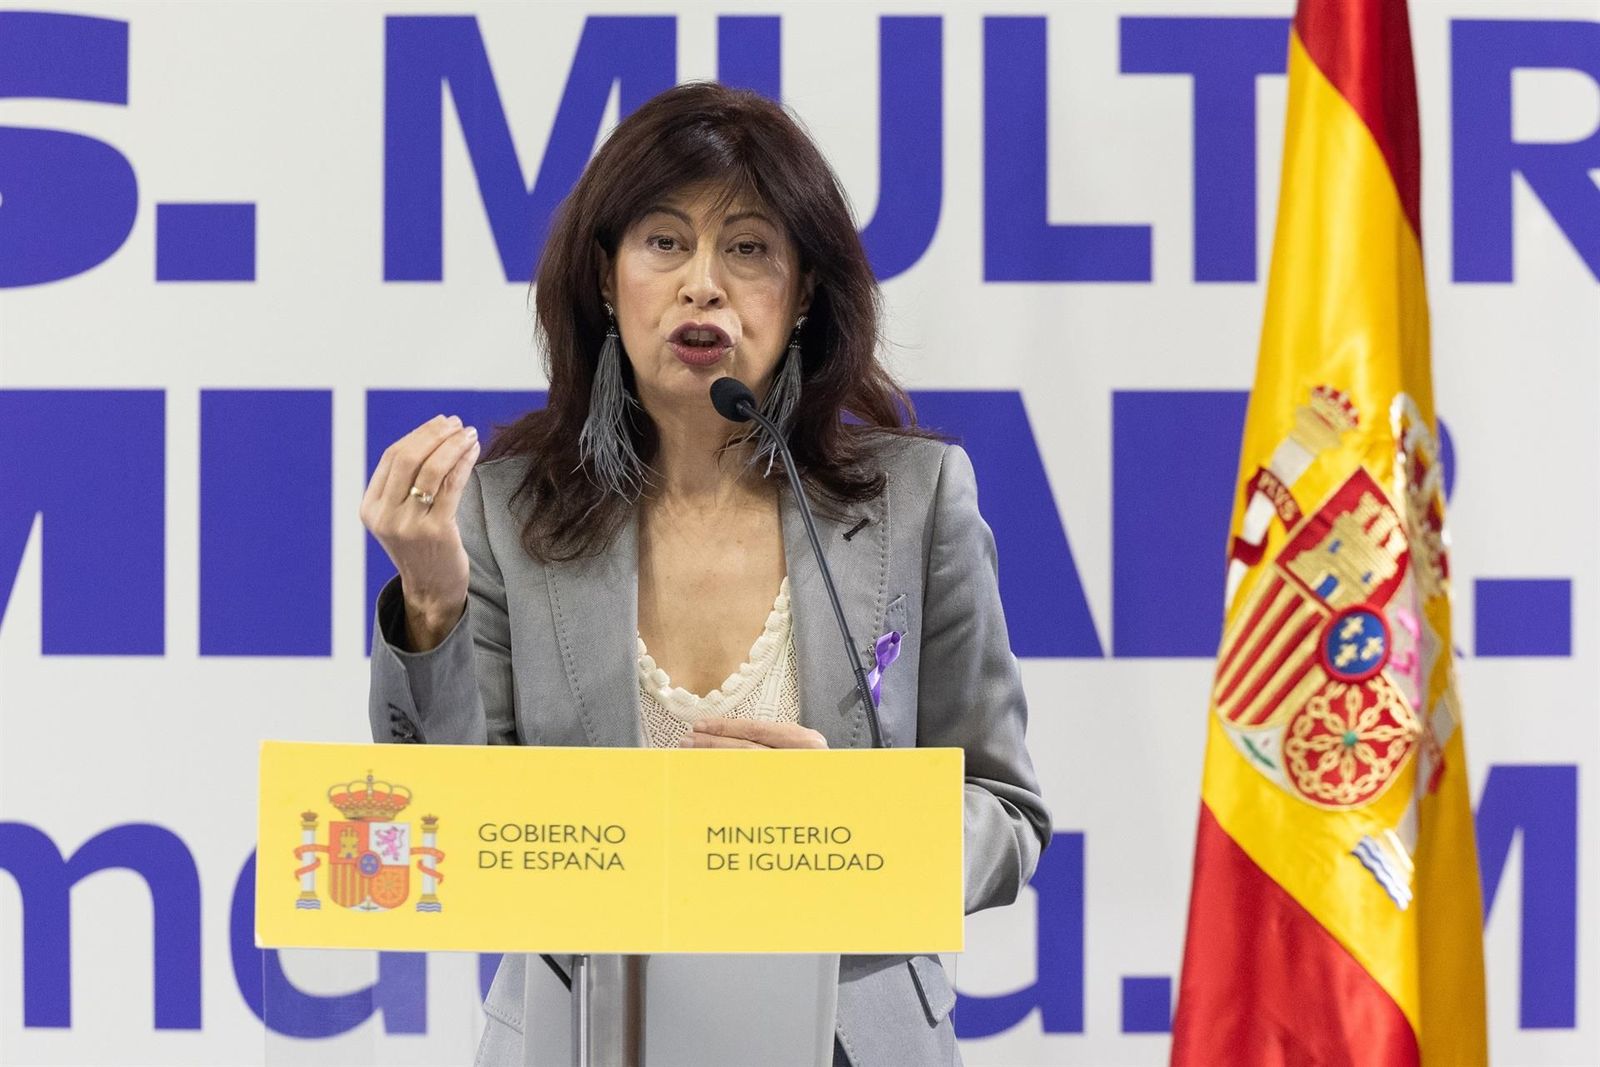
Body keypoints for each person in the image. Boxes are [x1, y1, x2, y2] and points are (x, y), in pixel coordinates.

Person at [362, 81, 1049, 1067]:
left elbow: (1006, 810)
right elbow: (451, 829)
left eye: (749, 247)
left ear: (803, 293)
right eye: (664, 241)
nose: (703, 284)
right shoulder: (508, 515)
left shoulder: (915, 500)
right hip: (582, 1035)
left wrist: (849, 825)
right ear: (607, 281)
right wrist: (431, 599)